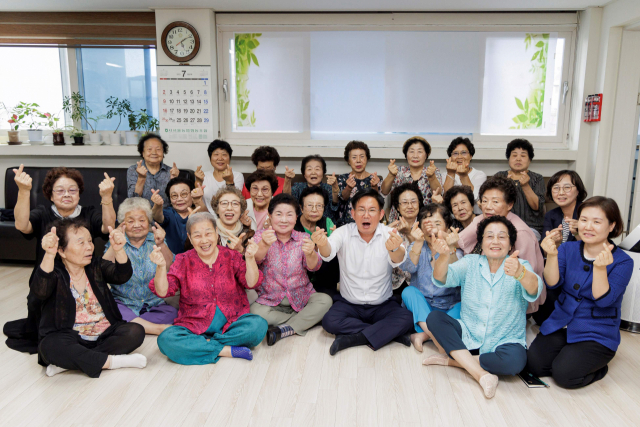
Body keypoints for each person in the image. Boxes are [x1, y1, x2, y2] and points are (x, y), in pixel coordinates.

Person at [423, 216, 543, 399]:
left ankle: (455, 361)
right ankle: (482, 375)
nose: (495, 241)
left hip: (504, 340)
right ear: (481, 242)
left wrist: (520, 273)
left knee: (515, 362)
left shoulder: (521, 265)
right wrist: (444, 257)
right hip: (469, 334)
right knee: (434, 319)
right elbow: (441, 278)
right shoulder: (470, 262)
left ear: (511, 244)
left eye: (502, 237)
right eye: (489, 236)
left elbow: (535, 287)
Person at [5, 166, 117, 354]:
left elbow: (108, 227)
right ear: (50, 195)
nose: (67, 194)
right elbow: (22, 225)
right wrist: (24, 191)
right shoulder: (42, 213)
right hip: (47, 281)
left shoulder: (88, 213)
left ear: (79, 195)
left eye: (72, 190)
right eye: (60, 190)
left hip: (82, 281)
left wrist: (106, 197)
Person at [527, 197, 633, 389]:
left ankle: (598, 368)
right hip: (562, 322)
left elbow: (603, 302)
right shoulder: (568, 248)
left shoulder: (623, 261)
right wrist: (551, 255)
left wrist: (600, 269)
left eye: (597, 222)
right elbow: (552, 284)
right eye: (583, 220)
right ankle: (570, 355)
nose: (588, 227)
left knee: (564, 376)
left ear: (612, 226)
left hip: (596, 331)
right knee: (535, 366)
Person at [33, 218, 147, 378]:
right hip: (70, 337)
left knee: (135, 331)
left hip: (104, 333)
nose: (89, 247)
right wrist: (49, 255)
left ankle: (71, 362)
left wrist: (119, 250)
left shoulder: (95, 265)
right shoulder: (55, 272)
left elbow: (122, 275)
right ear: (62, 251)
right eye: (81, 243)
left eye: (90, 241)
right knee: (49, 346)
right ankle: (114, 362)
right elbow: (40, 291)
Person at [149, 212, 268, 365]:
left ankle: (202, 344)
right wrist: (160, 267)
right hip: (193, 326)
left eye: (208, 233)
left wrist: (250, 258)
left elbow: (251, 283)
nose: (204, 240)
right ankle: (225, 350)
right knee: (166, 340)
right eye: (197, 236)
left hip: (231, 324)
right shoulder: (182, 260)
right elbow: (163, 291)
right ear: (190, 238)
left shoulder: (231, 256)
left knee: (258, 326)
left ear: (217, 233)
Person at [312, 188, 414, 355]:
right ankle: (387, 334)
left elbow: (399, 258)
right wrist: (322, 243)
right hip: (350, 304)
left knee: (407, 319)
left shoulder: (389, 234)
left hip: (382, 304)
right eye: (361, 210)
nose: (366, 215)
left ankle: (354, 338)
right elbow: (327, 254)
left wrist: (394, 248)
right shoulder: (343, 232)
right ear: (353, 213)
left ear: (381, 214)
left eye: (372, 210)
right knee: (330, 322)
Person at [250, 194, 333, 346]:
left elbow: (315, 266)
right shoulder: (261, 236)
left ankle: (283, 328)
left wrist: (310, 253)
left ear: (296, 218)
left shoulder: (303, 238)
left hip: (302, 297)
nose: (284, 220)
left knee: (325, 301)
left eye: (289, 215)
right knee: (255, 312)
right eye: (279, 214)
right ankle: (299, 322)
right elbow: (255, 259)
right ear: (270, 216)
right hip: (270, 300)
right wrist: (264, 245)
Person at [455, 176, 545, 313]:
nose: (488, 206)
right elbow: (460, 241)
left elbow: (530, 277)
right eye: (484, 201)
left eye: (495, 202)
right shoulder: (483, 219)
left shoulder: (520, 233)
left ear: (510, 205)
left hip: (514, 299)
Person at [104, 197, 178, 335]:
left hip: (155, 305)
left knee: (172, 312)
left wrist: (161, 244)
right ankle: (155, 329)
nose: (137, 225)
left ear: (148, 222)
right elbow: (102, 271)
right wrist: (114, 246)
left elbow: (172, 268)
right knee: (111, 309)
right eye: (130, 221)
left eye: (142, 220)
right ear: (123, 224)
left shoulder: (156, 240)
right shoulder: (116, 242)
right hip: (124, 303)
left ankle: (131, 325)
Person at [400, 204, 463, 353]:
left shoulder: (455, 249)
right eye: (427, 225)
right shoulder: (416, 245)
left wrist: (451, 249)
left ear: (447, 227)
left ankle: (423, 335)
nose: (432, 229)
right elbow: (409, 268)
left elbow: (457, 277)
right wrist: (418, 243)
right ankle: (437, 337)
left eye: (437, 224)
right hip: (423, 307)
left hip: (448, 307)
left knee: (464, 305)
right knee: (408, 292)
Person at [381, 136, 443, 223]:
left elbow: (438, 194)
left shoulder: (434, 171)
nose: (415, 156)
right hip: (399, 220)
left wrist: (431, 176)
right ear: (406, 155)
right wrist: (391, 175)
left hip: (426, 221)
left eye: (420, 152)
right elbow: (383, 191)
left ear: (426, 155)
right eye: (411, 151)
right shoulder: (399, 171)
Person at [294, 186, 340, 297]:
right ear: (301, 208)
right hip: (299, 281)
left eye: (319, 206)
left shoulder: (327, 222)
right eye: (310, 205)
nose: (314, 210)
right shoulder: (293, 225)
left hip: (324, 280)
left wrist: (335, 240)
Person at [494, 139, 545, 239]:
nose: (518, 159)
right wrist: (505, 187)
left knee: (521, 239)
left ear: (529, 160)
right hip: (502, 226)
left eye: (523, 155)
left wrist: (525, 186)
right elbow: (492, 203)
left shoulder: (537, 178)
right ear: (508, 159)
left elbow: (537, 206)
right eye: (514, 155)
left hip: (530, 227)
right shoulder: (499, 176)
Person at [151, 176, 206, 255]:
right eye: (174, 196)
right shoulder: (169, 213)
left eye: (184, 194)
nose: (179, 199)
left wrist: (198, 200)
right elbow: (158, 217)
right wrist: (158, 205)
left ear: (191, 194)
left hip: (198, 259)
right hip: (172, 261)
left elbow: (207, 218)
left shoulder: (198, 211)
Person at [388, 183, 424, 294]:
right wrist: (384, 234)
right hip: (392, 285)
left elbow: (424, 258)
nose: (409, 206)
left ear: (419, 204)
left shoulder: (426, 226)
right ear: (398, 207)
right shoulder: (390, 228)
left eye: (413, 202)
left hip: (419, 284)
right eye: (404, 202)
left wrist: (408, 233)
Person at [336, 141, 383, 227]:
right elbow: (341, 199)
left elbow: (378, 202)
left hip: (369, 223)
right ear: (348, 161)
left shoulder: (374, 179)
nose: (358, 161)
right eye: (354, 157)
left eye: (362, 157)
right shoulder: (342, 178)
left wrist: (374, 186)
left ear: (367, 159)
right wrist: (349, 187)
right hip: (346, 224)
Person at [127, 134, 179, 205]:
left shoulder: (171, 171)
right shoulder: (133, 170)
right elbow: (132, 199)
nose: (154, 152)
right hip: (142, 213)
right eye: (149, 149)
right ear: (143, 153)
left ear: (163, 153)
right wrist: (141, 178)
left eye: (158, 149)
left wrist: (174, 180)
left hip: (165, 213)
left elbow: (177, 200)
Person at [286, 154, 340, 223]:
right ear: (304, 174)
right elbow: (286, 198)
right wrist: (287, 180)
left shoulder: (328, 188)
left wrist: (335, 187)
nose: (313, 172)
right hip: (302, 227)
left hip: (326, 227)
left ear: (323, 173)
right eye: (309, 169)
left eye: (317, 169)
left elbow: (335, 203)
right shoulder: (298, 187)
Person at [442, 137, 486, 214]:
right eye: (455, 153)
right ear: (450, 157)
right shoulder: (444, 175)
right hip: (452, 217)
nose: (459, 157)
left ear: (471, 156)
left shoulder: (479, 175)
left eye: (464, 153)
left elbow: (475, 198)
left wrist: (464, 176)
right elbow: (446, 199)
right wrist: (451, 173)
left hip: (474, 216)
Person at [543, 170, 588, 247]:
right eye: (556, 188)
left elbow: (594, 248)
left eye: (567, 187)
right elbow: (543, 252)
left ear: (578, 191)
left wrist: (577, 233)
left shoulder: (589, 213)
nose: (561, 193)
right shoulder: (550, 215)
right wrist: (554, 243)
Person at [201, 139, 245, 215]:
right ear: (210, 158)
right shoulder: (204, 176)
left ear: (229, 158)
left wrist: (229, 181)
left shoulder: (237, 176)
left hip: (229, 216)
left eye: (224, 154)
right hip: (207, 217)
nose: (220, 158)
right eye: (216, 154)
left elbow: (235, 201)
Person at [210, 186, 254, 253]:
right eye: (224, 203)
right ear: (217, 209)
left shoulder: (249, 234)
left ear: (241, 210)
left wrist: (241, 250)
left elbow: (253, 261)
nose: (229, 208)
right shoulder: (208, 232)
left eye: (235, 203)